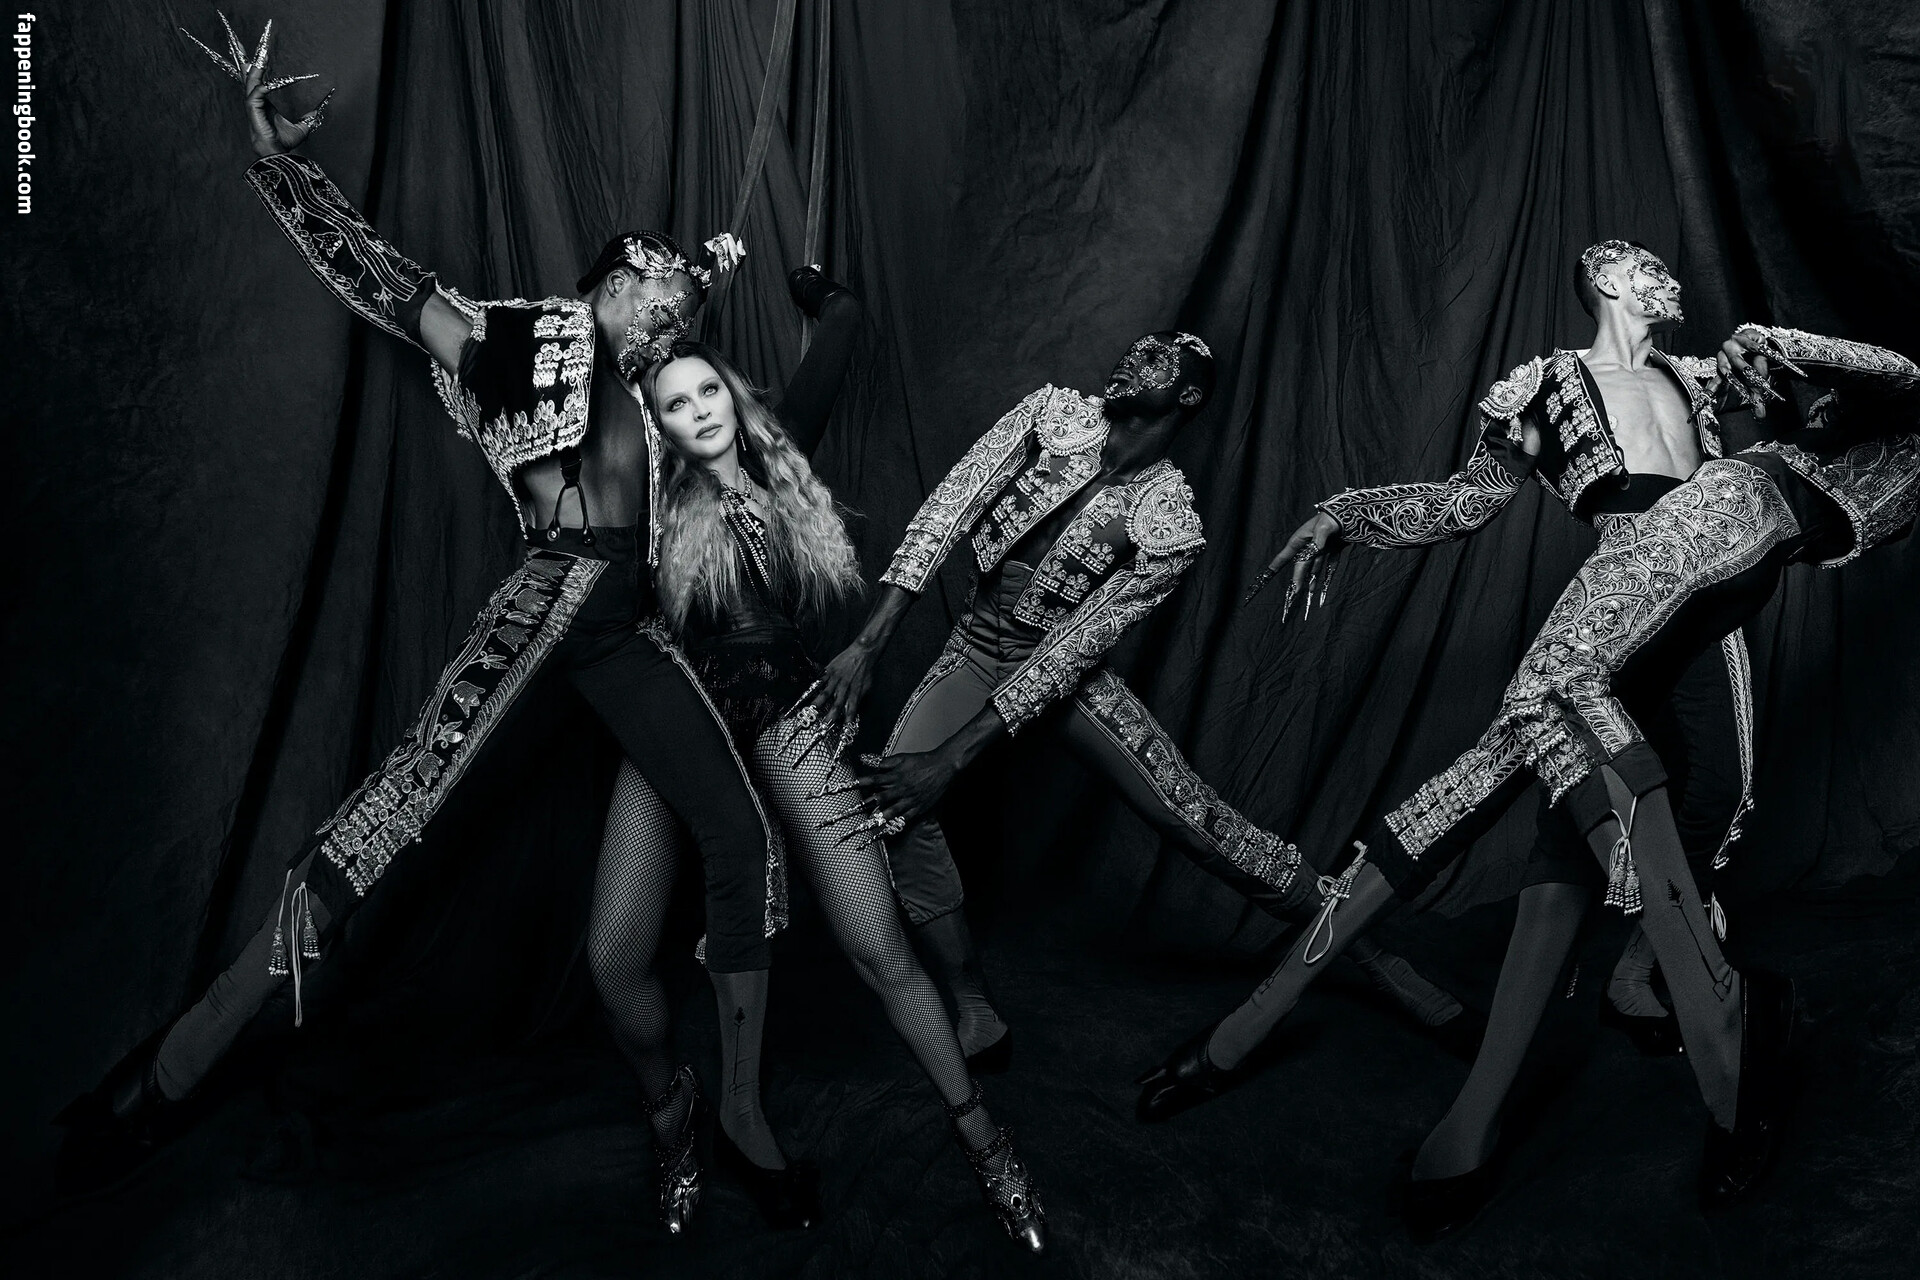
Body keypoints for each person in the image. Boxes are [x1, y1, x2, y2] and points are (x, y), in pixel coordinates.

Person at [59, 17, 768, 1235]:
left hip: (630, 630)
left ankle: (709, 1113)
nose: (676, 313)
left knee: (739, 825)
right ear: (614, 278)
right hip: (544, 608)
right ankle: (168, 1074)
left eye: (685, 305)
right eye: (664, 289)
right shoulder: (526, 338)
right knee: (379, 829)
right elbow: (389, 285)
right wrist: (281, 167)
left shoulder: (662, 398)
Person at [1156, 301, 1920, 1232]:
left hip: (1708, 585)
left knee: (1716, 799)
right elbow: (1466, 501)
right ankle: (1280, 1034)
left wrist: (1781, 362)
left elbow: (1862, 408)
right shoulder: (1542, 387)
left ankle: (1644, 987)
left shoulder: (1698, 379)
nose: (1662, 276)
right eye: (1640, 265)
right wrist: (1347, 515)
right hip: (1642, 570)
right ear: (1605, 275)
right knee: (1506, 786)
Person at [798, 332, 1473, 1087]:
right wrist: (869, 643)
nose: (1133, 357)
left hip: (1066, 676)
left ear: (1187, 396)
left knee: (1194, 820)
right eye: (1138, 348)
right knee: (898, 806)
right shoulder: (1050, 415)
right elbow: (948, 508)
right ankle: (974, 1007)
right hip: (978, 644)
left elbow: (1073, 650)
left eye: (1158, 361)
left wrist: (951, 759)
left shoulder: (1170, 522)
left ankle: (1365, 948)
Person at [594, 293, 1046, 1251]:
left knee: (879, 947)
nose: (699, 411)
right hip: (677, 723)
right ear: (655, 425)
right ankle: (674, 1112)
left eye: (709, 391)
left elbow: (836, 345)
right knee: (613, 957)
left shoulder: (780, 468)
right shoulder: (644, 500)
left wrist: (828, 301)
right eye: (674, 404)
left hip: (788, 715)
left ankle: (985, 1141)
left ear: (734, 396)